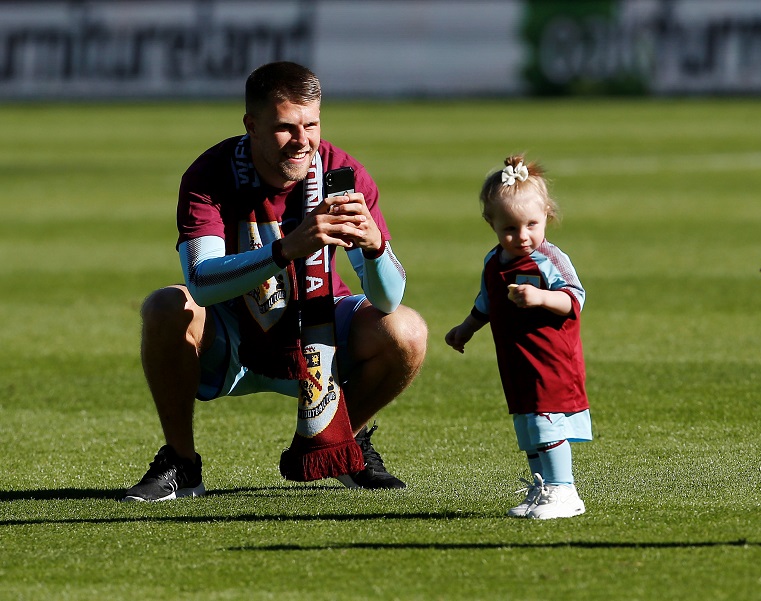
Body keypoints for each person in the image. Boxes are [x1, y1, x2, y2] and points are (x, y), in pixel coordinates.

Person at [121, 61, 427, 502]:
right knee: (166, 305)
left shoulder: (344, 175)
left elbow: (389, 297)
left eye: (312, 124)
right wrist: (284, 249)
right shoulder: (210, 174)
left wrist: (377, 247)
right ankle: (182, 465)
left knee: (408, 331)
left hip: (321, 330)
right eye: (286, 127)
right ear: (252, 126)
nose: (302, 141)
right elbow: (202, 283)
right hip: (230, 334)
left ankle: (339, 440)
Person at [445, 155, 591, 519]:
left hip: (551, 358)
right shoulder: (494, 262)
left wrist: (541, 297)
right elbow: (486, 302)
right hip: (517, 360)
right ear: (490, 222)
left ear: (547, 216)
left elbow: (575, 298)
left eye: (531, 224)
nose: (522, 236)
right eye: (510, 228)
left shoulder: (548, 260)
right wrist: (465, 329)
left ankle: (564, 490)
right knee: (528, 424)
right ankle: (542, 488)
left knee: (546, 419)